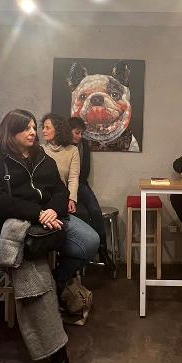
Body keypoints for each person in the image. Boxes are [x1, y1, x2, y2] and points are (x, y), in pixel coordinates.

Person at [0, 109, 78, 363]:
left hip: (43, 228)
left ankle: (56, 284)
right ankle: (58, 355)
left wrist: (52, 211)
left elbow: (60, 192)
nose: (33, 132)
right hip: (8, 234)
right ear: (11, 133)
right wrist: (38, 213)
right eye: (26, 128)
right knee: (36, 278)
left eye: (34, 127)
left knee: (85, 243)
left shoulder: (43, 159)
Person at [41, 113, 101, 292]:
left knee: (91, 226)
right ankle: (49, 281)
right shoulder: (40, 150)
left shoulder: (72, 150)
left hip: (63, 198)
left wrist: (71, 198)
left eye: (47, 127)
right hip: (45, 204)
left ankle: (59, 278)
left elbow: (74, 177)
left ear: (58, 129)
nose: (43, 131)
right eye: (42, 127)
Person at [69, 116, 116, 277]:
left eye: (81, 133)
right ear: (68, 131)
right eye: (77, 133)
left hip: (81, 184)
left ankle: (102, 250)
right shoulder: (62, 147)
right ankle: (83, 254)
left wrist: (76, 186)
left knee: (95, 211)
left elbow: (85, 171)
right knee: (82, 214)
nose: (80, 136)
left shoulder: (84, 145)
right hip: (64, 188)